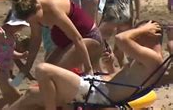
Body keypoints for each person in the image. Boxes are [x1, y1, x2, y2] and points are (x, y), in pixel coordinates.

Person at [9, 20, 164, 110]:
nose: (136, 40)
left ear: (151, 35)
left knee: (43, 70)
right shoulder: (146, 61)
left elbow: (121, 38)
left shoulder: (154, 59)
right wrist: (110, 67)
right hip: (97, 90)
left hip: (97, 95)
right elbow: (123, 83)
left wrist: (142, 29)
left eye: (139, 35)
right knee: (33, 93)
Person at [11, 0, 103, 82]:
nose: (36, 22)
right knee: (43, 73)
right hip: (67, 43)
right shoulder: (29, 7)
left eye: (36, 19)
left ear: (39, 7)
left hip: (87, 38)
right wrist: (27, 68)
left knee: (53, 73)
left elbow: (77, 38)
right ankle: (15, 85)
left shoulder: (52, 8)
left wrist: (88, 68)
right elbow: (36, 39)